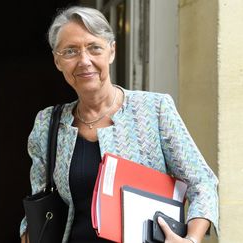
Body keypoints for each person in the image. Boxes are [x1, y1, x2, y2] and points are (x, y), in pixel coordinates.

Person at [20, 6, 218, 243]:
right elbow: (38, 209)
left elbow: (202, 183)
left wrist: (191, 240)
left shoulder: (154, 110)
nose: (84, 61)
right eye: (70, 51)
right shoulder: (48, 124)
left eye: (94, 48)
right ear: (57, 61)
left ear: (111, 52)